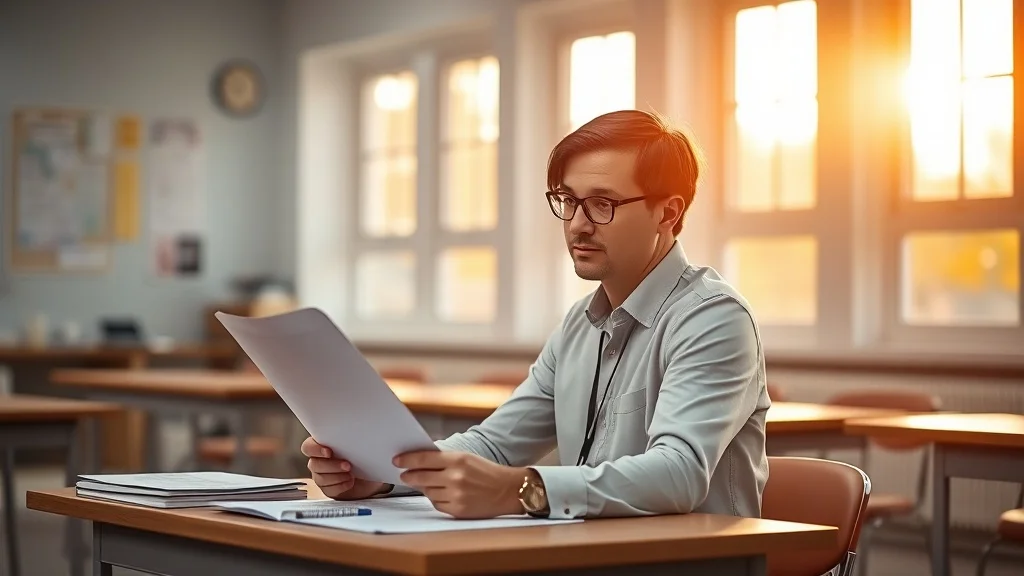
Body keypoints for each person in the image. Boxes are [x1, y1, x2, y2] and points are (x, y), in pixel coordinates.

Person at [302, 109, 769, 520]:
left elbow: (679, 473)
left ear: (668, 213)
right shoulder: (579, 324)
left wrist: (523, 489)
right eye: (568, 201)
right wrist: (380, 475)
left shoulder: (713, 319)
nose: (578, 224)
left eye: (603, 204)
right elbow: (495, 445)